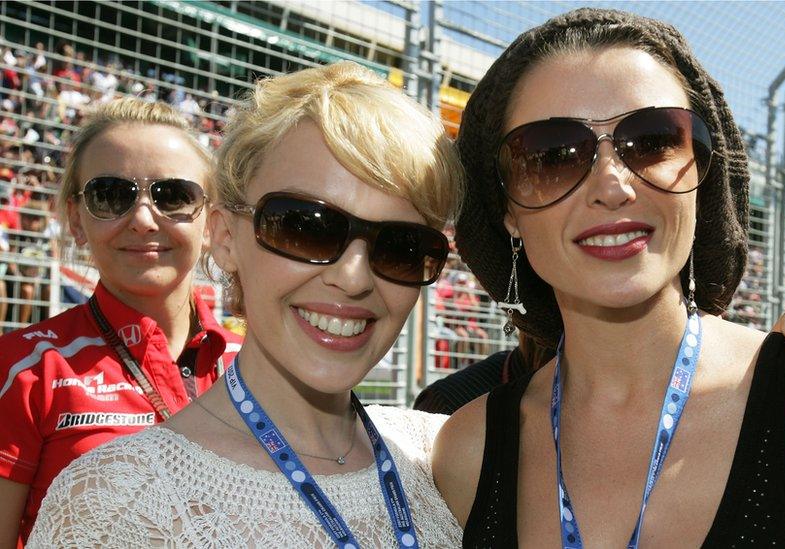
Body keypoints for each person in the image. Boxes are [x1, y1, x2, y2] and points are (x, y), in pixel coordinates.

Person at [433, 9, 785, 547]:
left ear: (703, 173)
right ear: (507, 210)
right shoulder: (463, 456)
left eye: (654, 140)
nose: (612, 185)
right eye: (552, 155)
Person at [27, 62, 465, 547]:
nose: (353, 277)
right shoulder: (112, 505)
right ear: (224, 238)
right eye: (305, 226)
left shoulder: (449, 456)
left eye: (401, 246)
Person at [0, 98, 242, 548]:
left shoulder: (256, 367)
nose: (144, 220)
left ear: (211, 222)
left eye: (173, 196)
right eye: (110, 195)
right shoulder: (22, 371)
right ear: (76, 219)